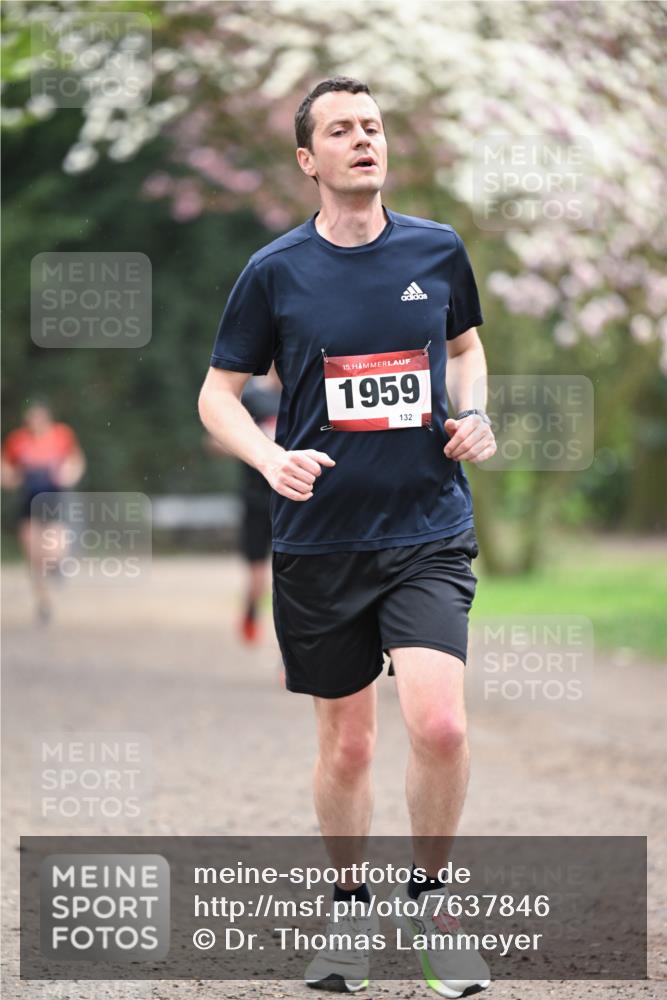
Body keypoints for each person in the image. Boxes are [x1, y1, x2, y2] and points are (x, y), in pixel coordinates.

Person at [199, 77, 497, 998]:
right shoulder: (274, 271)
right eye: (341, 130)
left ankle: (435, 905)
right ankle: (348, 905)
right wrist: (266, 456)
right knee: (351, 748)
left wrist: (473, 415)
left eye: (371, 126)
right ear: (308, 159)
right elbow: (216, 395)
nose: (363, 139)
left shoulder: (437, 250)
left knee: (439, 724)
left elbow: (464, 349)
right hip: (321, 539)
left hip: (426, 526)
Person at [205, 368, 282, 643]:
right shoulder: (250, 396)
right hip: (256, 499)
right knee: (258, 579)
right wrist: (256, 448)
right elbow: (216, 440)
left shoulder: (304, 396)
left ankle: (288, 654)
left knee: (293, 582)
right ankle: (251, 610)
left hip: (294, 498)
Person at [1, 400, 85, 622]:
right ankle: (44, 603)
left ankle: (58, 564)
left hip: (52, 498)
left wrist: (69, 474)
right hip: (27, 500)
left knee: (54, 544)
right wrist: (10, 478)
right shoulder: (18, 440)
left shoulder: (61, 435)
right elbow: (6, 467)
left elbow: (75, 461)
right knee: (32, 556)